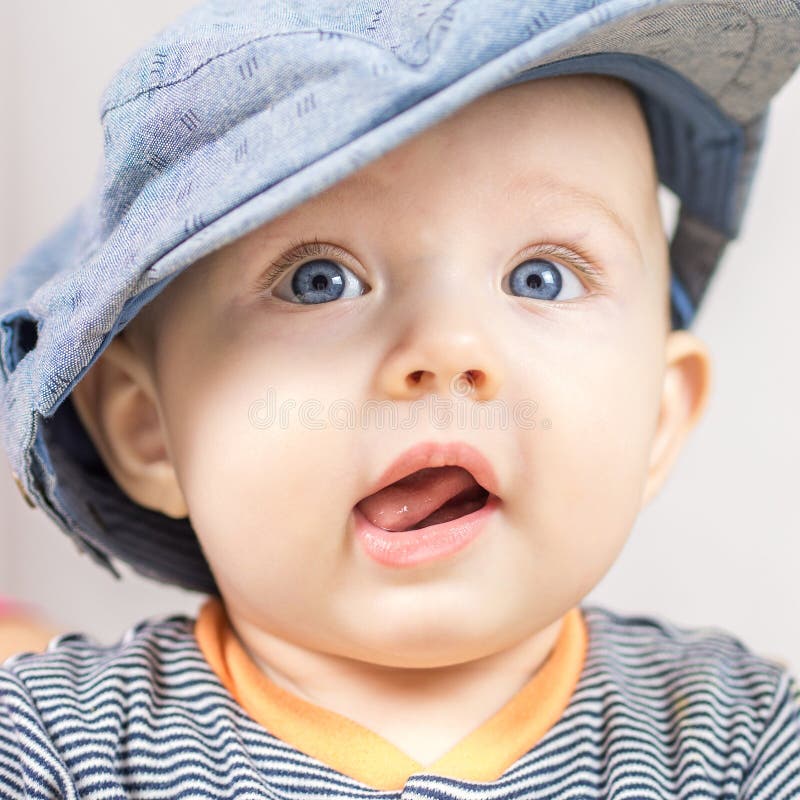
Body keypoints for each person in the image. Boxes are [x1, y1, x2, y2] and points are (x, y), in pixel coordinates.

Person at [0, 1, 799, 796]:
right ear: (151, 430)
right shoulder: (58, 748)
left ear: (657, 421)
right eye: (320, 282)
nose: (449, 348)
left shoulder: (742, 740)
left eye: (540, 277)